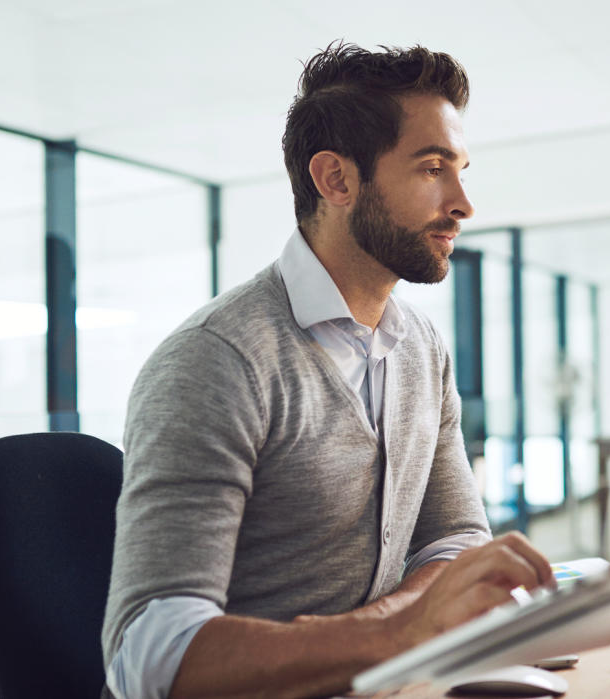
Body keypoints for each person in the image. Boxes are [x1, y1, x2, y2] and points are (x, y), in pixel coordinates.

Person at [101, 42, 553, 699]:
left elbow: (453, 540)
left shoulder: (422, 347)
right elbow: (154, 658)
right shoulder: (215, 361)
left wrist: (404, 626)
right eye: (432, 169)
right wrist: (400, 631)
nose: (462, 203)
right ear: (337, 180)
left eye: (460, 170)